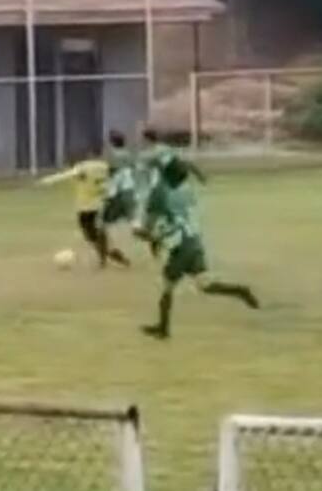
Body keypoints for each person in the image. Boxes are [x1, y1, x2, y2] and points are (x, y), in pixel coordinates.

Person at [139, 159, 259, 340]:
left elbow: (149, 227)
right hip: (194, 241)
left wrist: (145, 235)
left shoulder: (160, 194)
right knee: (205, 285)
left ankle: (163, 329)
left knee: (166, 287)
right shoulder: (186, 190)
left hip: (180, 246)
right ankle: (240, 291)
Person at [39, 144, 130, 268]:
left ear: (90, 153)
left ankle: (105, 255)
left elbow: (67, 175)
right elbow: (117, 179)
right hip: (100, 205)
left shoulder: (84, 167)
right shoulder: (105, 166)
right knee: (100, 232)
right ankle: (108, 253)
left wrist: (47, 181)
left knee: (90, 235)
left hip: (85, 206)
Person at [103, 130, 137, 228]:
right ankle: (132, 220)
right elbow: (133, 166)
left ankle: (108, 220)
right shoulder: (128, 153)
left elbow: (110, 169)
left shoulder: (113, 155)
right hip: (129, 182)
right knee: (128, 204)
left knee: (111, 202)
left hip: (117, 182)